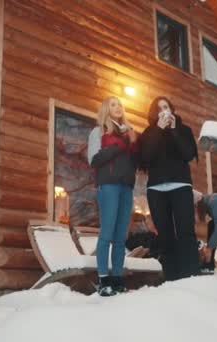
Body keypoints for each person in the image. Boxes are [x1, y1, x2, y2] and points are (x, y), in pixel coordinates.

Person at [139, 96, 200, 280]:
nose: (163, 111)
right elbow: (145, 158)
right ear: (154, 114)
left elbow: (188, 154)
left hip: (181, 185)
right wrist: (158, 129)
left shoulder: (184, 130)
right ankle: (172, 279)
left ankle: (190, 276)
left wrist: (174, 131)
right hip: (156, 189)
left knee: (185, 232)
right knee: (164, 235)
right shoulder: (148, 133)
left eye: (166, 107)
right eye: (158, 109)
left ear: (172, 110)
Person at [87, 96, 138, 296]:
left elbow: (134, 161)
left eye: (120, 105)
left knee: (120, 237)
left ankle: (117, 279)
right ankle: (103, 280)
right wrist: (119, 145)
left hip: (126, 188)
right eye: (113, 105)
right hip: (108, 186)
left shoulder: (128, 133)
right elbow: (94, 159)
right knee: (107, 233)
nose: (118, 107)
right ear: (106, 110)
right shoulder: (98, 131)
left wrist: (133, 145)